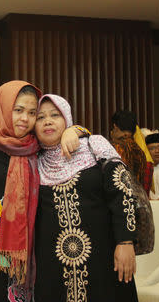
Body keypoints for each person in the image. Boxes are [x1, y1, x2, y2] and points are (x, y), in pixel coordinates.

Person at [0, 81, 84, 302]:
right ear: (2, 107)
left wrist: (73, 130)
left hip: (26, 261)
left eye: (31, 113)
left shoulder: (38, 150)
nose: (24, 119)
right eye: (17, 110)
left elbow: (64, 140)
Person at [34, 94, 138, 302]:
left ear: (67, 119)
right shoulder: (33, 162)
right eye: (40, 117)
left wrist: (126, 241)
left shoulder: (94, 146)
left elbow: (123, 191)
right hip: (52, 269)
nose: (47, 121)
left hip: (104, 258)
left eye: (55, 115)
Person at [110, 110, 153, 195]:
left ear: (115, 127)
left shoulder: (113, 150)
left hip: (118, 202)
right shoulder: (142, 153)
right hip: (137, 203)